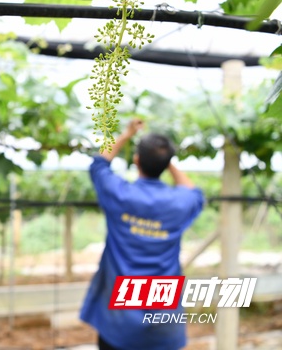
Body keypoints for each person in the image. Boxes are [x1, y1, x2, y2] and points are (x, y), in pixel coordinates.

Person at [80, 119, 205, 350]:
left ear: (136, 161)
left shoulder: (121, 195)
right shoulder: (178, 204)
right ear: (166, 164)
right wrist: (167, 161)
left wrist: (127, 134)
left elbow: (99, 164)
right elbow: (195, 192)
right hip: (163, 325)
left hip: (118, 324)